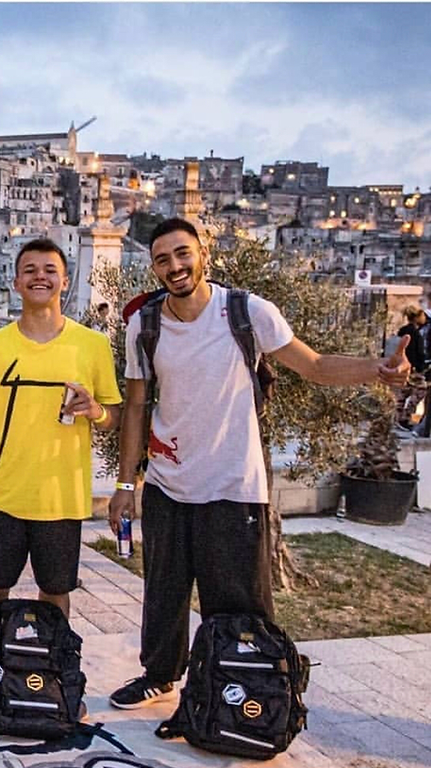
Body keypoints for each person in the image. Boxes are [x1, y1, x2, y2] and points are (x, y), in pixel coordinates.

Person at [108, 218, 412, 711]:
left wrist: (375, 370)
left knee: (237, 601)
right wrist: (126, 482)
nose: (174, 266)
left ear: (203, 252)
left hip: (234, 485)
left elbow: (312, 365)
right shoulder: (144, 324)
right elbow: (138, 406)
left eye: (182, 254)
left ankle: (244, 686)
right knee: (163, 593)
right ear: (153, 267)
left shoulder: (245, 312)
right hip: (168, 484)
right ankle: (160, 675)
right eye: (162, 259)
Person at [0, 238, 122, 635]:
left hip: (61, 498)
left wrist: (94, 410)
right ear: (15, 282)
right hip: (0, 496)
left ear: (65, 281)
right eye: (30, 270)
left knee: (55, 594)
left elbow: (114, 416)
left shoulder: (93, 345)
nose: (40, 277)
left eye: (50, 270)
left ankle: (55, 675)